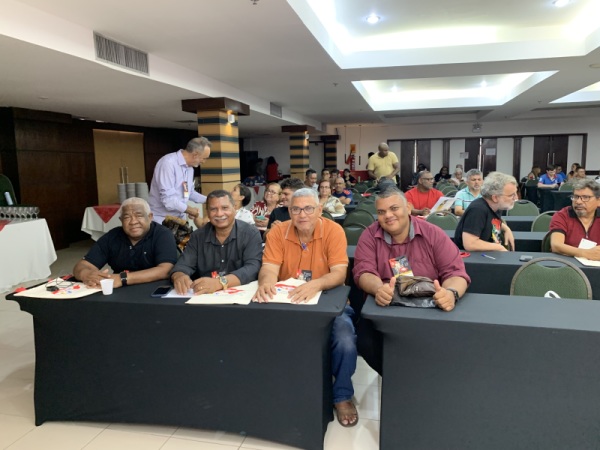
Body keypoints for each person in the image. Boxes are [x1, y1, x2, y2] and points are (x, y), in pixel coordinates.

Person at [253, 188, 358, 427]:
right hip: (289, 302)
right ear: (289, 211)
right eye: (296, 209)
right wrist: (266, 282)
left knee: (345, 340)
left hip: (329, 301)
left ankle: (342, 395)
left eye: (309, 208)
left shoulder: (333, 231)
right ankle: (279, 389)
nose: (302, 215)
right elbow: (269, 267)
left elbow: (339, 273)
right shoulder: (278, 231)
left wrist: (315, 285)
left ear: (319, 210)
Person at [353, 188, 470, 375]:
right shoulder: (369, 235)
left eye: (394, 208)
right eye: (381, 212)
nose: (388, 215)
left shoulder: (433, 233)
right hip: (387, 309)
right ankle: (395, 379)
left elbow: (456, 273)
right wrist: (379, 288)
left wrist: (451, 293)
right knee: (365, 342)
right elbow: (363, 272)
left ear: (408, 208)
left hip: (429, 309)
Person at [170, 190, 263, 295]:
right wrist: (179, 276)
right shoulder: (198, 236)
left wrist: (220, 283)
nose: (219, 214)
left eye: (225, 208)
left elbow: (253, 267)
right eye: (213, 209)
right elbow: (183, 265)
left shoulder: (250, 233)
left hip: (240, 295)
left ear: (234, 208)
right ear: (208, 213)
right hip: (203, 296)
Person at [74, 197, 178, 288]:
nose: (133, 222)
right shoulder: (112, 236)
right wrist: (87, 275)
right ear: (121, 220)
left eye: (139, 216)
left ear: (150, 217)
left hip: (154, 289)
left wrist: (122, 278)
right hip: (119, 291)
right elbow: (82, 265)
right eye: (127, 217)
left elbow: (166, 269)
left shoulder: (162, 234)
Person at [148, 137, 211, 225]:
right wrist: (189, 209)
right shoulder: (168, 163)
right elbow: (168, 200)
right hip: (161, 220)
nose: (204, 162)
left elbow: (189, 193)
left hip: (179, 220)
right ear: (195, 154)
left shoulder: (190, 169)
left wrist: (210, 200)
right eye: (204, 158)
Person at [454, 172, 517, 251]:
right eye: (511, 195)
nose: (516, 198)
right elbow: (470, 244)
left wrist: (507, 229)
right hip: (471, 257)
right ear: (495, 198)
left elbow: (491, 221)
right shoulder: (477, 210)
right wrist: (499, 247)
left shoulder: (496, 206)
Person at [549, 179, 600, 260]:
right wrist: (585, 253)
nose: (578, 202)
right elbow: (556, 245)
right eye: (576, 197)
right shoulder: (562, 216)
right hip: (568, 264)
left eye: (585, 197)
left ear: (598, 201)